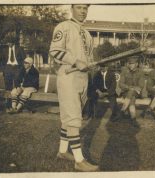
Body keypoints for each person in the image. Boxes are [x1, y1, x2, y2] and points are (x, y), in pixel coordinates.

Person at [49, 4, 99, 172]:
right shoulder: (63, 26)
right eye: (79, 7)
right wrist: (74, 61)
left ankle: (62, 152)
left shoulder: (87, 34)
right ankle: (79, 160)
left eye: (85, 8)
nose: (83, 11)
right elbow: (55, 50)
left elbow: (88, 58)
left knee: (70, 116)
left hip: (83, 78)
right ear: (72, 9)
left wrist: (91, 65)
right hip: (68, 76)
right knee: (73, 118)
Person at [119, 55, 145, 128]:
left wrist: (133, 89)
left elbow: (141, 86)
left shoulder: (141, 72)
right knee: (132, 98)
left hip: (137, 93)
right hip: (126, 92)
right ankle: (133, 119)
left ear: (136, 64)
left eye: (132, 63)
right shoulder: (124, 71)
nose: (130, 65)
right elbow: (120, 84)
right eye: (129, 63)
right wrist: (129, 88)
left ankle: (122, 110)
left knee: (132, 93)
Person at [1, 41, 26, 111]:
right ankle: (8, 106)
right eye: (7, 42)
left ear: (13, 42)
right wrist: (4, 69)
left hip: (17, 69)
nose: (8, 43)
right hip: (8, 68)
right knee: (8, 88)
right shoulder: (4, 50)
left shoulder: (20, 49)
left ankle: (15, 106)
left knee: (17, 88)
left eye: (9, 42)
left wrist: (20, 69)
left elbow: (24, 60)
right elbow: (2, 61)